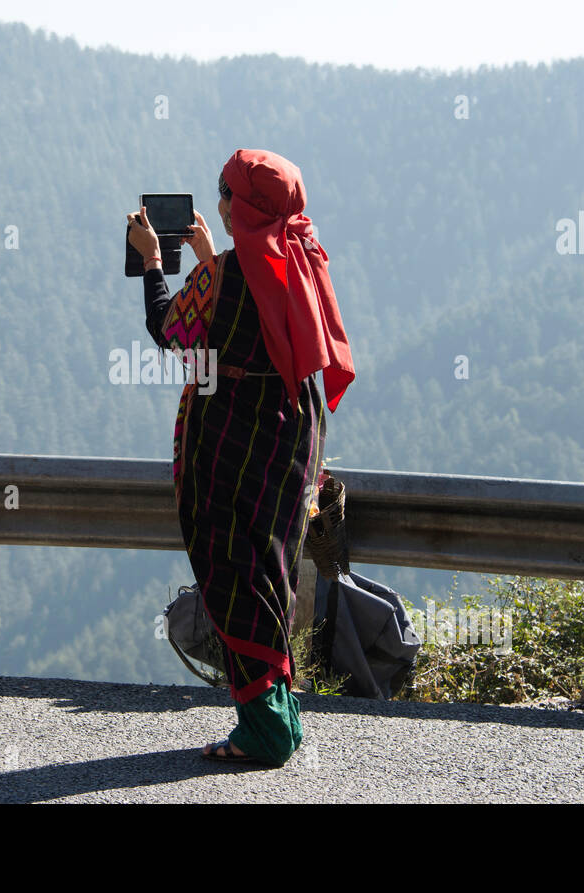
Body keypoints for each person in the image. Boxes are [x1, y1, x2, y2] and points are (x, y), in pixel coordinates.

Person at [130, 148, 354, 765]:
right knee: (271, 571)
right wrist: (210, 259)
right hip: (289, 439)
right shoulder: (300, 259)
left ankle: (265, 731)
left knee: (234, 575)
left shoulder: (221, 276)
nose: (220, 204)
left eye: (226, 193)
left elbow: (169, 327)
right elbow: (262, 311)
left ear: (242, 208)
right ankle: (281, 711)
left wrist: (154, 262)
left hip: (232, 440)